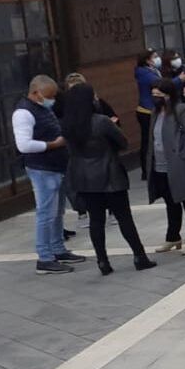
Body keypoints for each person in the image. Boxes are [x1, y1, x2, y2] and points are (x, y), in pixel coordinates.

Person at [60, 83, 155, 276]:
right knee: (124, 218)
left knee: (96, 220)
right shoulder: (101, 121)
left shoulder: (67, 125)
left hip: (85, 178)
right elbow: (123, 142)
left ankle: (102, 261)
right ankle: (139, 256)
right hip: (109, 174)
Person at [15, 75, 86, 273]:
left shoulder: (41, 108)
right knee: (46, 213)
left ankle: (57, 249)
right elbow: (23, 145)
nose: (52, 99)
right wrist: (53, 144)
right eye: (49, 96)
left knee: (57, 212)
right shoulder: (23, 113)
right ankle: (45, 257)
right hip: (42, 168)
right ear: (36, 93)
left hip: (56, 166)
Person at [145, 80, 185, 256]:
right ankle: (173, 236)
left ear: (169, 95)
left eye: (159, 95)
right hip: (160, 165)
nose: (155, 99)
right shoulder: (155, 113)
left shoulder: (181, 110)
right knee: (170, 202)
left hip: (179, 164)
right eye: (153, 95)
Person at [134, 51, 162, 179]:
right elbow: (160, 84)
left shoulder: (153, 70)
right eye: (154, 57)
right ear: (147, 60)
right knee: (147, 141)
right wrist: (179, 80)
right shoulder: (143, 72)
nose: (157, 59)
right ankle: (147, 170)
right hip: (146, 110)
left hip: (153, 109)